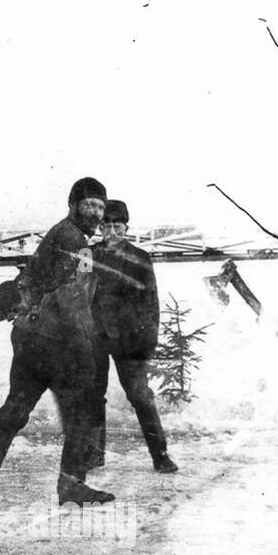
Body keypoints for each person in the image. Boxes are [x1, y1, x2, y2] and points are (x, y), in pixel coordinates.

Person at [0, 178, 114, 507]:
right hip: (58, 344)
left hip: (31, 338)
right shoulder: (73, 238)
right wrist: (85, 347)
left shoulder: (70, 238)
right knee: (79, 416)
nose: (96, 212)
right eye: (90, 204)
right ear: (73, 205)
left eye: (101, 207)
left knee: (14, 411)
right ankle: (71, 486)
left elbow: (41, 282)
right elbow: (69, 295)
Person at [86, 199, 178, 473]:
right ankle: (94, 454)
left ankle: (160, 454)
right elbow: (76, 294)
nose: (112, 232)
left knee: (140, 396)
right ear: (100, 227)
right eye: (106, 226)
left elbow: (152, 304)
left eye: (118, 226)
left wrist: (149, 342)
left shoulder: (140, 257)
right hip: (95, 338)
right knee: (92, 396)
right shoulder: (86, 256)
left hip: (130, 340)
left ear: (126, 227)